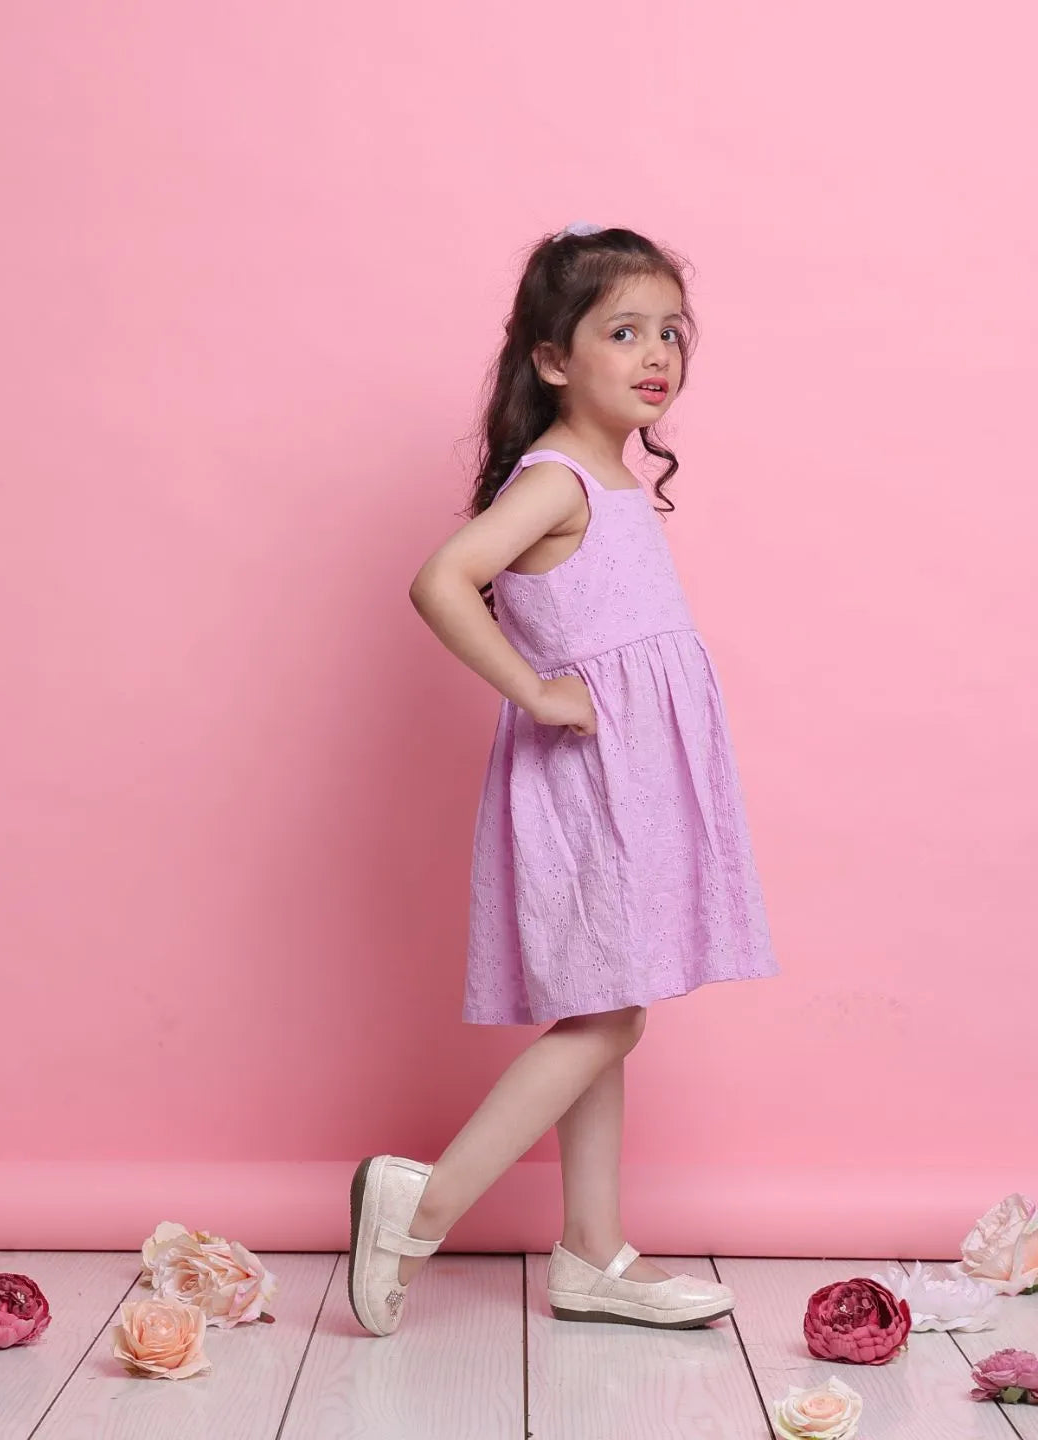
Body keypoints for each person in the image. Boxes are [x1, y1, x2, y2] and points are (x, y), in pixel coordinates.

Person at [348, 221, 781, 1338]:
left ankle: (591, 1249)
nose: (656, 355)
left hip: (628, 779)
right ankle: (423, 1203)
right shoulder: (555, 481)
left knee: (611, 1002)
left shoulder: (611, 480)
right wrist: (538, 692)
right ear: (552, 358)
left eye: (671, 333)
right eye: (623, 331)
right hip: (589, 782)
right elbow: (443, 579)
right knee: (609, 1018)